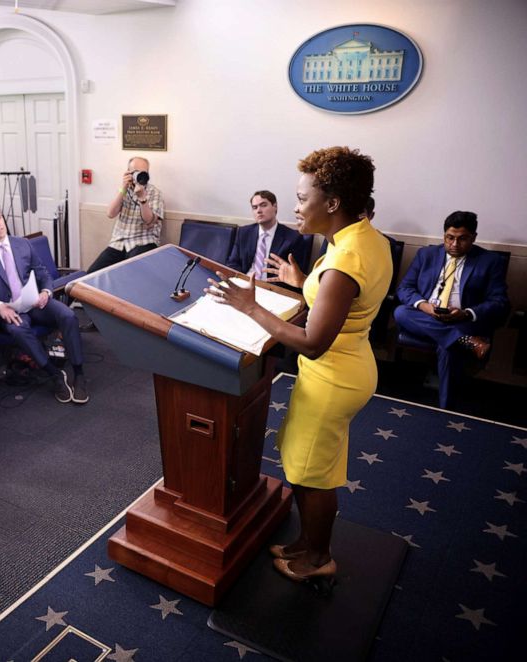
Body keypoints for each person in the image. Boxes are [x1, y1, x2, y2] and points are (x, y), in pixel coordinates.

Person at [206, 146, 391, 584]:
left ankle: (318, 558)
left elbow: (311, 342)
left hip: (333, 375)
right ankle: (308, 541)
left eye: (302, 197)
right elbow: (344, 300)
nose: (295, 206)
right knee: (311, 464)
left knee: (313, 475)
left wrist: (249, 306)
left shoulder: (344, 260)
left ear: (332, 203)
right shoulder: (364, 238)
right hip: (348, 366)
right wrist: (304, 282)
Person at [0, 203, 89, 404]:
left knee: (68, 315)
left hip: (35, 302)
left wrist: (46, 291)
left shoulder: (22, 244)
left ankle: (79, 373)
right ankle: (54, 373)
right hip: (11, 309)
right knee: (17, 330)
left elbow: (43, 273)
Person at [393, 211, 510, 409]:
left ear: (473, 238)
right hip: (426, 315)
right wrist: (425, 306)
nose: (455, 244)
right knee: (401, 312)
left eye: (462, 239)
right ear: (444, 235)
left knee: (447, 346)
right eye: (450, 238)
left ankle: (445, 408)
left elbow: (500, 302)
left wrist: (467, 313)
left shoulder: (490, 261)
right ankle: (466, 342)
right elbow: (404, 288)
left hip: (462, 319)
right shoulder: (426, 254)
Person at [87, 156, 164, 273]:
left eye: (143, 172)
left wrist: (142, 198)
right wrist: (123, 188)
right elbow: (110, 213)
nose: (138, 175)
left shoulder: (154, 192)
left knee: (131, 275)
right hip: (119, 242)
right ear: (128, 172)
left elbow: (149, 220)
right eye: (135, 172)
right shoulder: (124, 190)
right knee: (93, 274)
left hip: (143, 241)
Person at [226, 190, 311, 282]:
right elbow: (232, 263)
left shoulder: (293, 238)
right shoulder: (244, 232)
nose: (258, 210)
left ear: (275, 207)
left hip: (272, 287)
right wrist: (241, 281)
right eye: (254, 207)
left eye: (263, 205)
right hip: (245, 282)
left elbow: (296, 276)